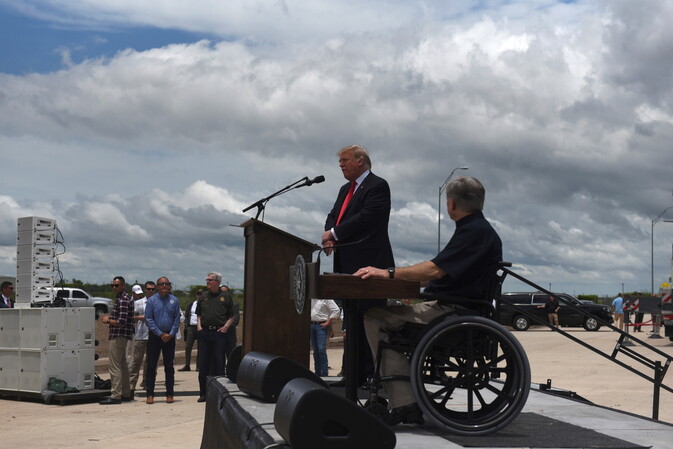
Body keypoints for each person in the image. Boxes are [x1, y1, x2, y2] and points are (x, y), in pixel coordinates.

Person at [353, 176, 502, 426]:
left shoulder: (474, 232)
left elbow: (434, 271)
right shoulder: (476, 230)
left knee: (374, 317)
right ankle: (400, 394)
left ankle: (404, 402)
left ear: (452, 204)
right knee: (385, 313)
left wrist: (387, 273)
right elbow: (438, 273)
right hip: (454, 307)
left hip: (453, 311)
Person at [321, 144, 395, 386]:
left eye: (344, 160)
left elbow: (367, 217)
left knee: (369, 319)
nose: (340, 165)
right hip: (347, 264)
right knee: (352, 322)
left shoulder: (377, 186)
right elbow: (335, 215)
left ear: (360, 161)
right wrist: (330, 232)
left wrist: (334, 232)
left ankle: (373, 374)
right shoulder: (345, 189)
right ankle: (353, 373)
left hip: (370, 264)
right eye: (339, 161)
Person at [196, 272, 236, 402]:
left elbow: (232, 315)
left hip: (219, 333)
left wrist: (225, 327)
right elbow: (199, 314)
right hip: (205, 333)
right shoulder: (203, 296)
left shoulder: (225, 296)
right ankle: (203, 393)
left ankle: (219, 394)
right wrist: (199, 327)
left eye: (210, 280)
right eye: (207, 280)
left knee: (219, 364)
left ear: (218, 282)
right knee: (203, 364)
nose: (208, 282)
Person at [144, 276, 182, 404]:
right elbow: (148, 319)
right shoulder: (151, 301)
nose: (164, 286)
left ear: (170, 286)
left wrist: (171, 334)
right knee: (151, 365)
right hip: (155, 337)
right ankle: (150, 394)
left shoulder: (174, 301)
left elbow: (177, 319)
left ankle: (170, 394)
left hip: (170, 338)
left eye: (166, 284)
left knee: (169, 366)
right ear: (157, 286)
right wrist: (160, 334)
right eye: (161, 284)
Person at [100, 276, 134, 404]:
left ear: (123, 286)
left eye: (117, 285)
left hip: (118, 336)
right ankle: (125, 393)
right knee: (122, 365)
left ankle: (115, 395)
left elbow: (122, 322)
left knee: (114, 366)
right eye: (113, 285)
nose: (114, 287)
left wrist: (107, 320)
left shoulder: (123, 300)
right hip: (121, 335)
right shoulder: (122, 299)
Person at [129, 282, 153, 394]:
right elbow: (131, 317)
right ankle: (131, 384)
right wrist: (141, 317)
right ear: (145, 289)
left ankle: (147, 383)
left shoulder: (157, 302)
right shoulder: (138, 303)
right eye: (149, 289)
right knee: (136, 361)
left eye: (153, 289)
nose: (151, 291)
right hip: (141, 335)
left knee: (151, 362)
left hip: (154, 335)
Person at [310, 299, 341, 376]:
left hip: (321, 325)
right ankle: (317, 372)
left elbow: (336, 310)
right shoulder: (311, 299)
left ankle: (324, 373)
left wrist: (328, 321)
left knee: (321, 349)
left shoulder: (326, 299)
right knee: (315, 350)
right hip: (312, 325)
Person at [179, 289, 202, 372]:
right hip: (191, 327)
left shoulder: (205, 304)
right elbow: (187, 315)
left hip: (201, 327)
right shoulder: (191, 304)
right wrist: (186, 325)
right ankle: (187, 365)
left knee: (200, 347)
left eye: (201, 294)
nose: (199, 295)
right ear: (196, 295)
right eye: (198, 294)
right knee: (188, 346)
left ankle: (198, 366)